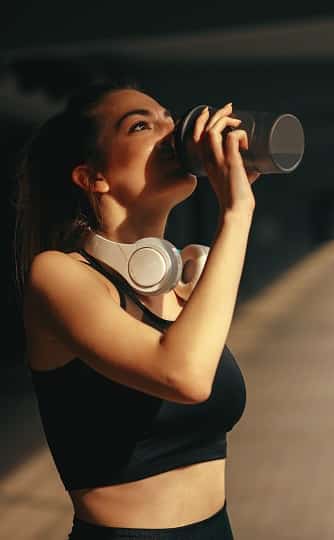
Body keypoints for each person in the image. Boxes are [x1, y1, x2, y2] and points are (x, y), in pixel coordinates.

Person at [13, 81, 260, 539]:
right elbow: (182, 375)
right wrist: (237, 213)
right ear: (93, 177)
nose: (171, 132)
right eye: (141, 125)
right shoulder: (59, 276)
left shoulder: (184, 282)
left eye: (170, 118)